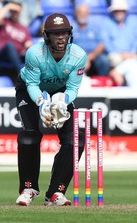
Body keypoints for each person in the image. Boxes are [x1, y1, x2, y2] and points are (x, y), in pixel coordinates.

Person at [15, 13, 87, 206]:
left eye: (64, 33)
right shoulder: (35, 53)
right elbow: (32, 84)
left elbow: (72, 88)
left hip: (61, 91)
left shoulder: (78, 55)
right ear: (47, 36)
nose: (61, 37)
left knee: (75, 139)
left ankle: (55, 192)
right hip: (30, 90)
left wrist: (62, 100)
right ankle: (28, 188)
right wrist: (42, 102)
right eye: (56, 34)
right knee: (29, 134)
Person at [101, 0, 137, 67]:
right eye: (116, 11)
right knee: (115, 60)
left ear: (125, 11)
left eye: (121, 10)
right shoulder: (106, 23)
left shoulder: (134, 22)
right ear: (113, 12)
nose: (119, 13)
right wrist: (120, 54)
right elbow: (106, 42)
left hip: (132, 53)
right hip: (115, 54)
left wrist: (131, 52)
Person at [73, 4, 110, 76]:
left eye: (85, 13)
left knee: (104, 60)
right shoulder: (71, 28)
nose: (82, 15)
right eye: (80, 12)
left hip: (94, 55)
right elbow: (68, 46)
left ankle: (102, 82)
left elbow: (102, 45)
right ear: (76, 14)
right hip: (77, 56)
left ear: (88, 14)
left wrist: (89, 57)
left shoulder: (95, 27)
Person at [0, 0, 32, 72]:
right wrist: (8, 7)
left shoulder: (24, 28)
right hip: (2, 54)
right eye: (13, 11)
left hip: (17, 56)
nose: (15, 13)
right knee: (9, 45)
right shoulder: (4, 21)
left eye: (17, 11)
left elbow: (28, 44)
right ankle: (21, 75)